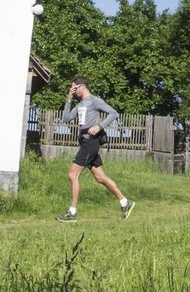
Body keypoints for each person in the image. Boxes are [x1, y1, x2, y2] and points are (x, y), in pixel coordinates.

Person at [56, 77, 134, 222]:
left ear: (82, 87)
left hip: (91, 143)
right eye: (71, 89)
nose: (72, 90)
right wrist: (68, 99)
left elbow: (113, 113)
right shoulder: (79, 105)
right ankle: (125, 203)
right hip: (85, 142)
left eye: (74, 88)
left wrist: (99, 126)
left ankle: (72, 213)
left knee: (72, 175)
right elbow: (65, 118)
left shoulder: (94, 100)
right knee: (100, 178)